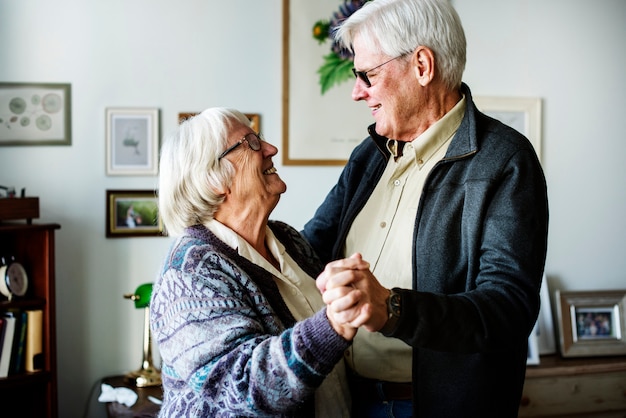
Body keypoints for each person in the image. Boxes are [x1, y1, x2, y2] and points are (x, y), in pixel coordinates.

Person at [303, 0, 549, 417]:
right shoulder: (369, 156)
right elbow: (309, 251)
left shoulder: (506, 160)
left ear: (422, 65)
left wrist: (392, 309)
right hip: (345, 398)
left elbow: (507, 310)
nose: (357, 91)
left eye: (368, 74)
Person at [151, 108, 370, 417]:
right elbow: (241, 385)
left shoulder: (287, 240)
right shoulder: (189, 274)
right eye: (250, 143)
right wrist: (332, 325)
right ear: (214, 178)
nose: (271, 149)